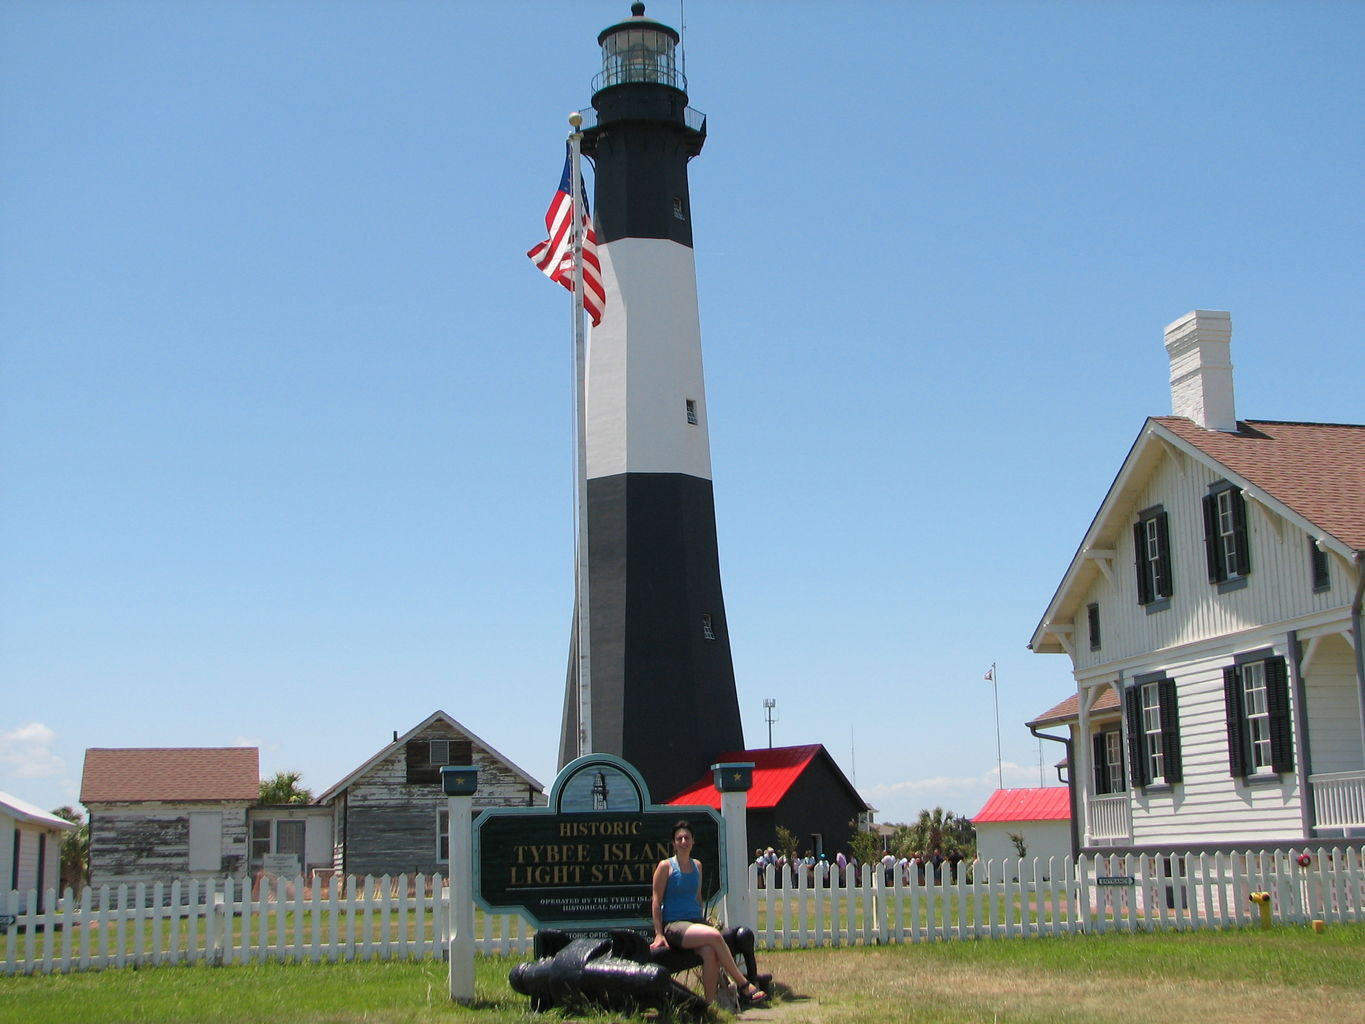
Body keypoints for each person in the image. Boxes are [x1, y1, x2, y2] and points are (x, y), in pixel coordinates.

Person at [651, 820, 768, 1007]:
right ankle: (744, 985)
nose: (683, 841)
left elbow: (697, 899)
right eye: (679, 838)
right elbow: (656, 902)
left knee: (709, 952)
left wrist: (705, 921)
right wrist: (658, 934)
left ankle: (710, 1006)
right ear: (673, 843)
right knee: (714, 935)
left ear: (693, 841)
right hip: (675, 926)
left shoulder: (697, 866)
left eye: (686, 838)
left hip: (695, 922)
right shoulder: (665, 867)